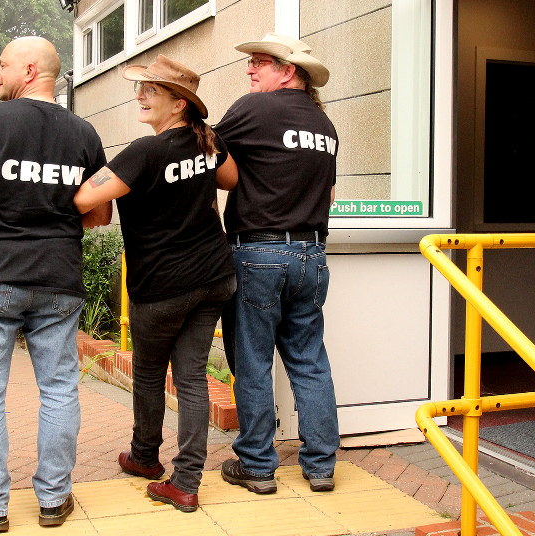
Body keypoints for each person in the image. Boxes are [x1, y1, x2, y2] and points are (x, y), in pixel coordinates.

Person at [0, 36, 109, 532]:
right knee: (58, 390)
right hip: (58, 279)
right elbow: (99, 212)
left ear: (30, 70)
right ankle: (55, 500)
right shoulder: (84, 133)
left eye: (2, 64)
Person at [74, 55, 238, 513]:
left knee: (148, 373)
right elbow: (231, 179)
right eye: (140, 88)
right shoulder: (208, 143)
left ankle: (146, 458)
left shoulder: (144, 153)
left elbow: (85, 197)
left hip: (163, 285)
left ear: (179, 103)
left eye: (151, 90)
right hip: (214, 277)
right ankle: (186, 481)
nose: (139, 96)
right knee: (190, 377)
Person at [213, 33, 340, 494]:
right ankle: (322, 465)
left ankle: (257, 465)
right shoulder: (325, 127)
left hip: (258, 254)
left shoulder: (255, 109)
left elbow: (203, 157)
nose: (250, 71)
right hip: (312, 254)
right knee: (309, 360)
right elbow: (327, 194)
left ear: (289, 71)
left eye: (260, 63)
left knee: (252, 362)